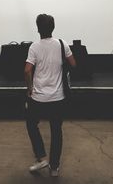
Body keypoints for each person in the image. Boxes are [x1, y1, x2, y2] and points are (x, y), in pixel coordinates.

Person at [24, 14, 76, 177]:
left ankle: (41, 157)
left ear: (38, 29)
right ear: (53, 28)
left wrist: (30, 88)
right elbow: (73, 64)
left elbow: (27, 70)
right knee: (56, 130)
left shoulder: (34, 47)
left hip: (38, 97)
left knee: (31, 124)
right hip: (57, 97)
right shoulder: (62, 44)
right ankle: (54, 167)